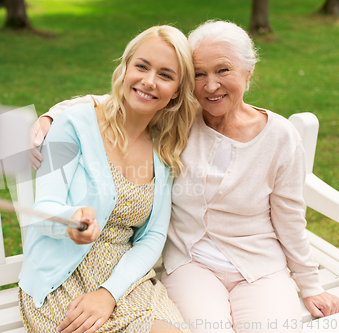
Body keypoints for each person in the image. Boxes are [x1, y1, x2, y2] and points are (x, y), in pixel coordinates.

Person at [30, 20, 339, 333]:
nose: (211, 85)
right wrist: (53, 114)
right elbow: (118, 100)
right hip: (191, 263)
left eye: (223, 71)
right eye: (200, 74)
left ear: (248, 72)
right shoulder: (179, 124)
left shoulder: (278, 137)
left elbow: (290, 217)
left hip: (260, 267)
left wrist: (310, 284)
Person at [19, 25, 198, 333]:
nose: (149, 81)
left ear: (178, 90)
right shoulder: (73, 125)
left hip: (125, 278)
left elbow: (152, 237)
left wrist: (109, 293)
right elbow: (43, 211)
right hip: (62, 276)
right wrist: (70, 221)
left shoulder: (164, 147)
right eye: (141, 66)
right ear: (125, 68)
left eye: (166, 75)